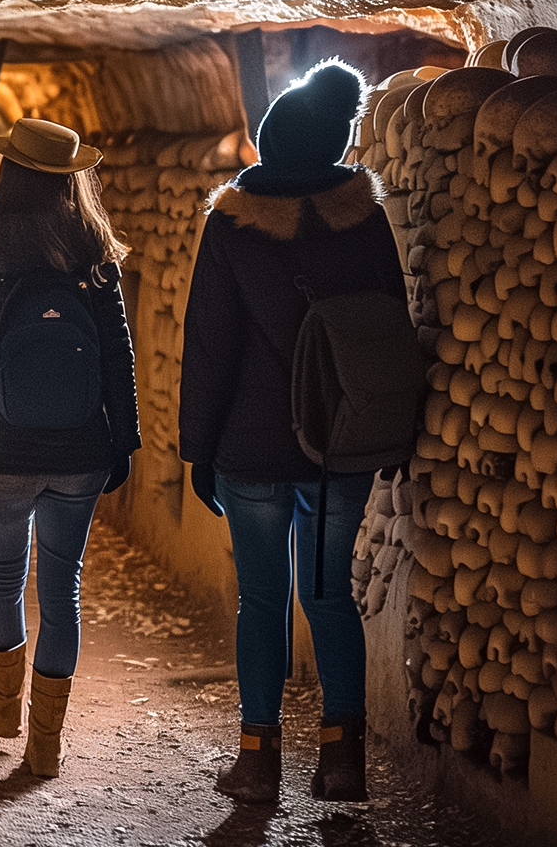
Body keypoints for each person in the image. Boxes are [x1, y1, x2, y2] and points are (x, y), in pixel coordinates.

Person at [179, 59, 406, 804]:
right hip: (339, 447)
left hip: (252, 449)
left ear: (271, 142)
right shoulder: (364, 217)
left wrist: (197, 452)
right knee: (330, 596)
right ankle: (342, 762)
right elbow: (390, 333)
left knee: (261, 601)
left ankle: (257, 762)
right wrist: (392, 434)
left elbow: (209, 345)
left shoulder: (233, 225)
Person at [0, 117, 140, 779]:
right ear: (71, 177)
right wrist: (123, 443)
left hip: (2, 444)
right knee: (63, 590)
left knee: (4, 576)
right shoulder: (93, 246)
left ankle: (5, 708)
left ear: (9, 169)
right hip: (80, 446)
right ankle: (45, 746)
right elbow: (117, 354)